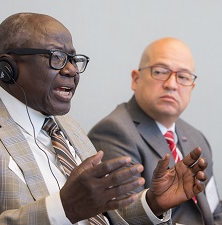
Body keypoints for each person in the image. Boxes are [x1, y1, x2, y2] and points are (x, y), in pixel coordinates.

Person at [0, 14, 207, 225]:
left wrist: (152, 203)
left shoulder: (69, 128)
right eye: (56, 57)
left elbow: (105, 217)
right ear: (8, 68)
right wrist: (63, 209)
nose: (71, 70)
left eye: (73, 59)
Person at [88, 37, 222, 225]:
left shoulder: (195, 137)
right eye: (160, 72)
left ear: (192, 87)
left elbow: (215, 211)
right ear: (136, 79)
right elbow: (127, 218)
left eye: (183, 77)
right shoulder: (113, 132)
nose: (172, 84)